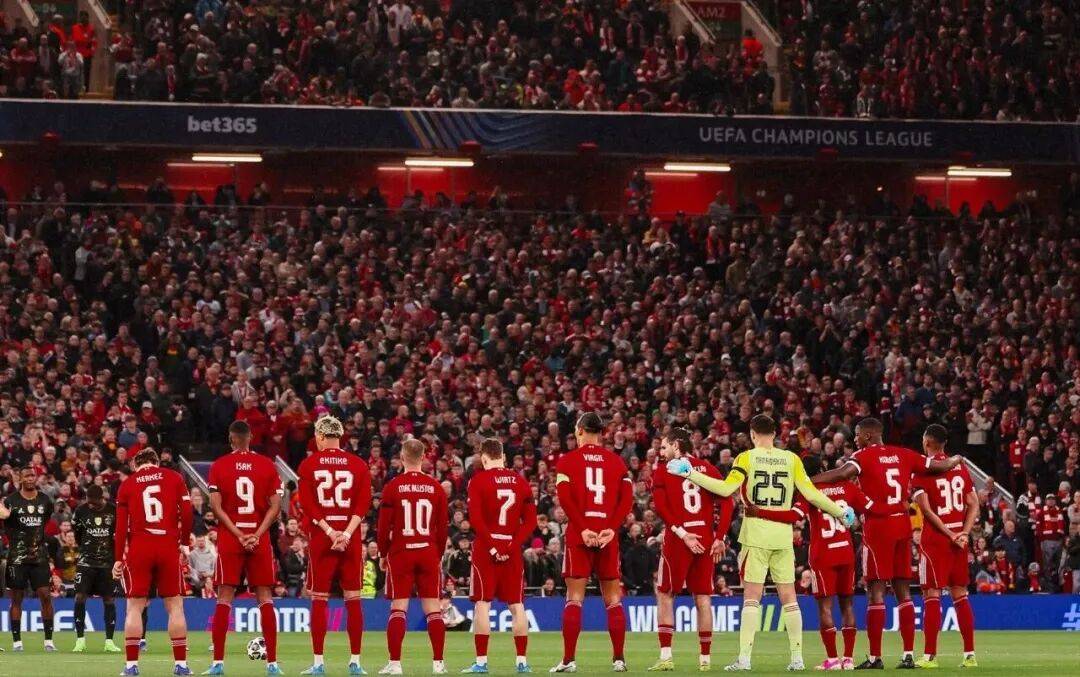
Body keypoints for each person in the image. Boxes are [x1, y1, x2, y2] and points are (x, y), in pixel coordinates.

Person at [668, 414, 855, 671]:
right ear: (775, 434)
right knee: (789, 598)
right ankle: (797, 659)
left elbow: (725, 490)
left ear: (752, 434)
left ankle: (744, 659)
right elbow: (811, 494)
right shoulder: (791, 459)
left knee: (751, 599)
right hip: (783, 537)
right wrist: (839, 512)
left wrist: (690, 473)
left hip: (755, 535)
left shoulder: (746, 458)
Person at [810, 417, 962, 669]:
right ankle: (908, 655)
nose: (854, 439)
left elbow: (842, 473)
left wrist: (808, 482)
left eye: (857, 434)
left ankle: (875, 657)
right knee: (903, 590)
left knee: (876, 591)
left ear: (868, 436)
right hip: (902, 524)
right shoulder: (904, 454)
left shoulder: (862, 456)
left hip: (878, 527)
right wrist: (957, 458)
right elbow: (941, 465)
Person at [743, 455, 886, 670]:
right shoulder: (847, 486)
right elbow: (871, 507)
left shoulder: (809, 490)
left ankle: (832, 660)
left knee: (825, 607)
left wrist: (760, 512)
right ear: (823, 467)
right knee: (847, 604)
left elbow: (793, 516)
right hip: (845, 551)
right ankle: (848, 659)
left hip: (823, 555)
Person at [550, 412, 634, 673]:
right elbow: (627, 499)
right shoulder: (616, 462)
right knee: (613, 599)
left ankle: (568, 660)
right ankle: (619, 660)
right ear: (601, 433)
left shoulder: (567, 461)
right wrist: (611, 528)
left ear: (579, 431)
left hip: (580, 535)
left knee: (574, 598)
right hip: (607, 536)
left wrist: (583, 528)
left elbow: (565, 498)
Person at [648, 427, 734, 672]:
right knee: (703, 598)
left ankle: (666, 657)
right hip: (705, 539)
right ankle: (705, 660)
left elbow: (661, 508)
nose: (661, 452)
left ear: (676, 446)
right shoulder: (708, 468)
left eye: (665, 446)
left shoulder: (664, 470)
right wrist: (719, 537)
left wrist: (683, 534)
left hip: (679, 539)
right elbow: (727, 501)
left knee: (665, 594)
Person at [204, 420, 284, 675]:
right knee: (265, 597)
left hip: (231, 537)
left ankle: (217, 664)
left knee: (224, 597)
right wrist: (256, 534)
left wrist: (239, 534)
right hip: (259, 538)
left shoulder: (219, 465)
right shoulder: (267, 465)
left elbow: (215, 507)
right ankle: (272, 664)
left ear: (231, 439)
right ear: (250, 438)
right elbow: (276, 506)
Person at [296, 415, 372, 675]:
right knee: (353, 599)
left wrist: (330, 532)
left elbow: (307, 504)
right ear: (340, 437)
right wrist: (347, 534)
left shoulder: (309, 465)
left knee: (319, 599)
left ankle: (318, 663)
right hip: (350, 540)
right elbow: (363, 504)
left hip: (322, 539)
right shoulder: (358, 464)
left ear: (320, 436)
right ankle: (356, 662)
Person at [113, 447, 194, 676]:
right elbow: (187, 511)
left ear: (135, 465)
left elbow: (120, 527)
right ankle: (181, 665)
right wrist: (184, 543)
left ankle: (131, 666)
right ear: (156, 462)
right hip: (167, 544)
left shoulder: (127, 484)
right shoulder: (174, 477)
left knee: (134, 607)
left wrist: (118, 558)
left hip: (140, 546)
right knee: (175, 606)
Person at [461, 437, 537, 673]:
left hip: (486, 548)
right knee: (517, 605)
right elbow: (530, 521)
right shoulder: (520, 482)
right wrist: (511, 545)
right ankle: (522, 662)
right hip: (512, 548)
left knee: (482, 604)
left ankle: (481, 662)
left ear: (484, 458)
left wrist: (494, 547)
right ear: (503, 457)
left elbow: (476, 519)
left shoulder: (478, 480)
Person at [377, 437, 450, 675]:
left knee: (399, 607)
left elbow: (383, 527)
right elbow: (443, 528)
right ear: (424, 458)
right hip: (428, 551)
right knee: (433, 608)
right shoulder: (436, 487)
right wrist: (438, 554)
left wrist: (383, 553)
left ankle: (395, 664)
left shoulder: (393, 486)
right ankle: (438, 664)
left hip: (402, 552)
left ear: (402, 458)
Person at [911, 424, 979, 668]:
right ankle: (969, 655)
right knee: (960, 593)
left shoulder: (923, 470)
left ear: (927, 442)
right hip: (959, 540)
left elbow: (927, 511)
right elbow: (974, 503)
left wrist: (950, 534)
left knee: (932, 594)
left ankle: (930, 656)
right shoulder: (959, 467)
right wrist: (964, 533)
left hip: (936, 541)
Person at [0, 466, 58, 652]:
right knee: (16, 599)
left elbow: (44, 523)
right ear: (21, 479)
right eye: (27, 476)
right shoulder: (10, 501)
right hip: (17, 558)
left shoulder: (45, 500)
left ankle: (48, 641)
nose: (31, 478)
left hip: (39, 557)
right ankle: (17, 642)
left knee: (45, 596)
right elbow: (4, 520)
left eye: (33, 475)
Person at [71, 484, 121, 653]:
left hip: (107, 564)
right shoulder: (81, 511)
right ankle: (80, 640)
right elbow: (77, 534)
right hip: (86, 562)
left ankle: (109, 641)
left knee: (109, 599)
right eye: (89, 502)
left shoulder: (113, 511)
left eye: (94, 502)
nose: (90, 505)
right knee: (79, 597)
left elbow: (118, 535)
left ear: (102, 498)